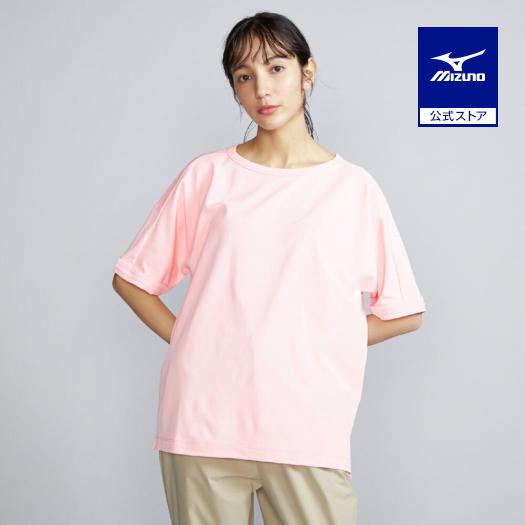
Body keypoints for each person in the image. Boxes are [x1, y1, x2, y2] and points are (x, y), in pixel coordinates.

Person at [112, 11, 426, 525]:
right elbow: (132, 280)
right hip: (202, 423)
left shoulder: (352, 189)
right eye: (244, 76)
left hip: (305, 426)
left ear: (307, 72)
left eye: (276, 68)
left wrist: (320, 336)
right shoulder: (208, 176)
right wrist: (196, 338)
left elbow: (405, 311)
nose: (262, 88)